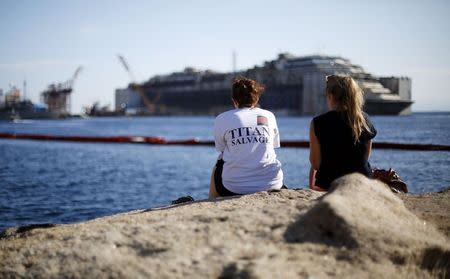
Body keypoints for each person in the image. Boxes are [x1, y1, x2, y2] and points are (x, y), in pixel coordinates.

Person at [209, 77, 284, 198]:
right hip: (272, 184)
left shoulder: (222, 118)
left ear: (234, 100)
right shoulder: (268, 116)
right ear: (257, 98)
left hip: (233, 188)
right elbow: (273, 146)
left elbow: (222, 149)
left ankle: (211, 200)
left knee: (220, 161)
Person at [309, 75, 377, 191]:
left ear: (330, 96)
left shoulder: (318, 122)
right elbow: (365, 157)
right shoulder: (364, 120)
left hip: (329, 183)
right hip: (362, 182)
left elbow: (316, 164)